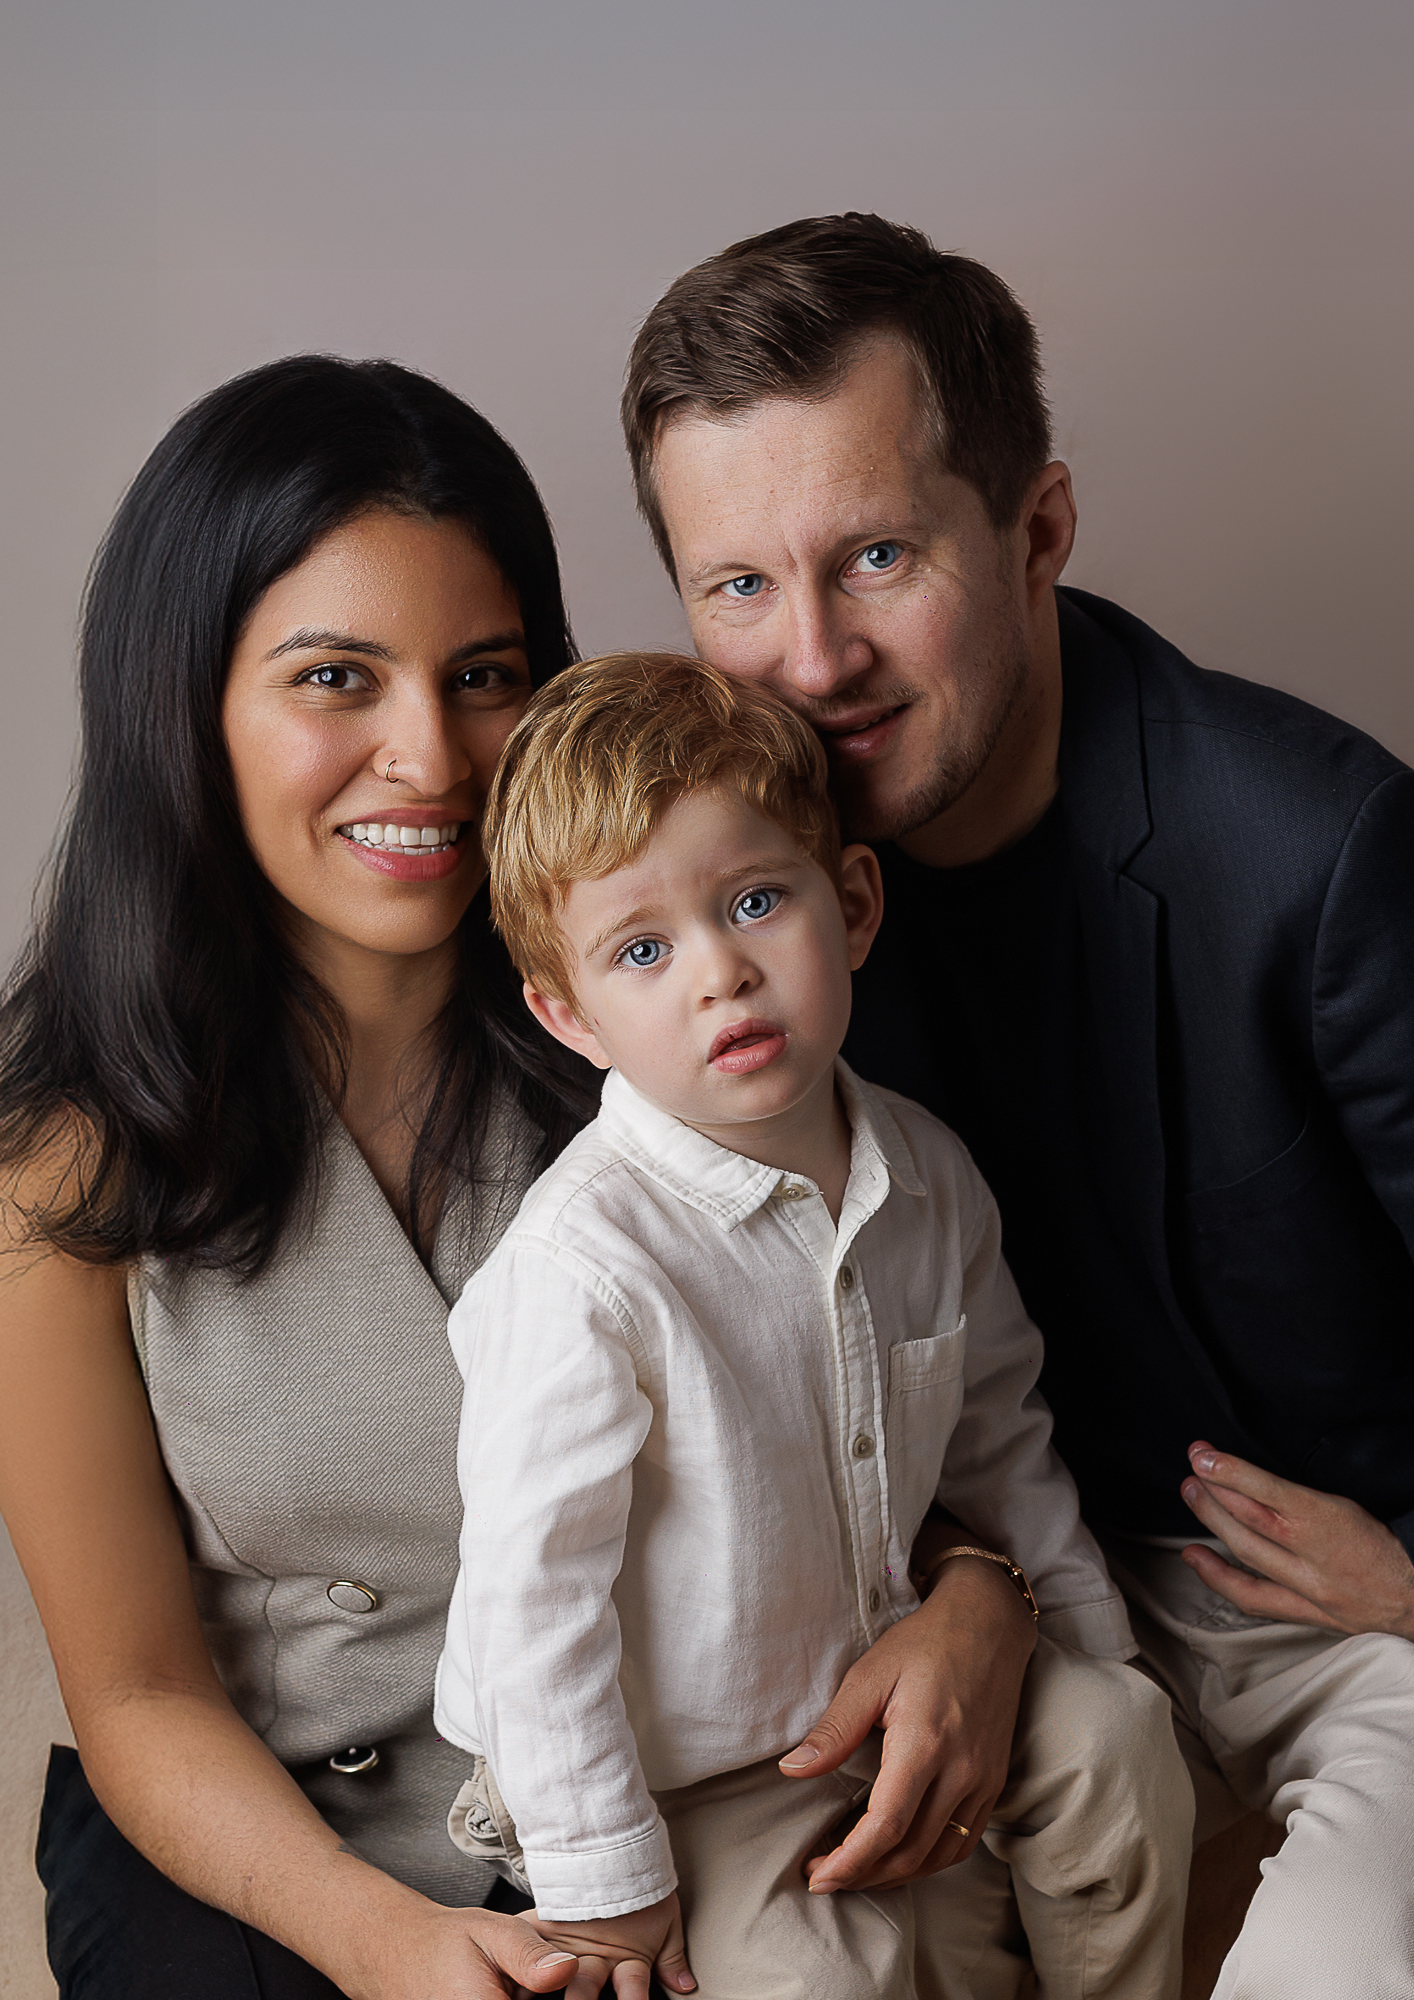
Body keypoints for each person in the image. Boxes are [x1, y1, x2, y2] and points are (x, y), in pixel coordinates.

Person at [0, 355, 1038, 1999]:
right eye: (336, 678)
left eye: (483, 676)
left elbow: (863, 1414)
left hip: (668, 1815)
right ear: (185, 706)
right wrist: (386, 1942)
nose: (432, 756)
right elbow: (138, 1694)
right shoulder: (41, 1164)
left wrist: (980, 1592)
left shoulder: (681, 1032)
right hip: (280, 1846)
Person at [620, 213, 1414, 1998]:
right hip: (1018, 1587)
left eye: (877, 557)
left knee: (1344, 1971)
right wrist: (975, 1583)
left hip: (1385, 1607)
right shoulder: (721, 914)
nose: (811, 662)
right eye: (738, 586)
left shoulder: (1322, 854)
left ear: (1038, 528)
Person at [434, 653, 1193, 2000]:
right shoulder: (580, 1270)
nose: (721, 974)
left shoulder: (929, 1173)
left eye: (755, 902)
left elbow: (999, 1436)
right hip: (697, 1776)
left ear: (851, 907)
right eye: (644, 951)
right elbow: (532, 1602)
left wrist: (1086, 1643)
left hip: (893, 1679)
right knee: (824, 1983)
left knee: (1122, 1744)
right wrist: (610, 1886)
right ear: (569, 1014)